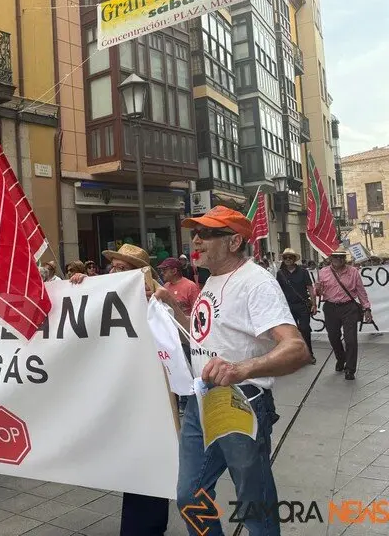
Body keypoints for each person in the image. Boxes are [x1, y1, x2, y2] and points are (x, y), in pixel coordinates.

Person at [169, 206, 309, 536]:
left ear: (234, 242)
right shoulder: (212, 279)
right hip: (200, 400)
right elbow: (205, 332)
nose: (196, 240)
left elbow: (296, 348)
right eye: (194, 233)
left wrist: (240, 369)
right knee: (189, 496)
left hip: (240, 402)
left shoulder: (256, 283)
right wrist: (170, 307)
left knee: (253, 504)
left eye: (206, 233)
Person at [72, 244, 169, 536]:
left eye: (122, 269)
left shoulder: (156, 302)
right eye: (112, 267)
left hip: (150, 393)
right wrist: (78, 286)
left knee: (148, 457)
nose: (114, 272)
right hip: (121, 391)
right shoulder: (108, 295)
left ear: (142, 275)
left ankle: (146, 525)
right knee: (132, 458)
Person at [316, 247, 372, 380]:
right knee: (333, 337)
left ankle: (350, 369)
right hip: (330, 307)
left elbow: (361, 291)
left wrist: (367, 308)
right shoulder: (323, 272)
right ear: (331, 258)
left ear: (345, 258)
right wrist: (317, 290)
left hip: (349, 307)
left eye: (341, 257)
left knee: (351, 339)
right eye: (336, 256)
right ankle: (341, 358)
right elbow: (319, 293)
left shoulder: (353, 272)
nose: (339, 259)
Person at [276, 248, 317, 364]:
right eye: (285, 258)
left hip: (303, 305)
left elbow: (309, 287)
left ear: (294, 259)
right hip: (288, 307)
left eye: (290, 257)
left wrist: (314, 304)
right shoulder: (280, 274)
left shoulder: (303, 271)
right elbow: (278, 291)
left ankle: (309, 354)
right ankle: (293, 357)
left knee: (304, 329)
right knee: (290, 333)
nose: (288, 259)